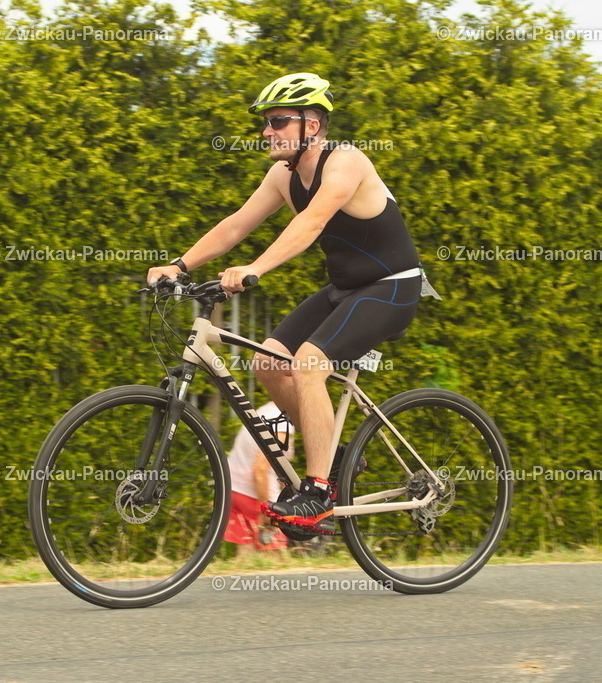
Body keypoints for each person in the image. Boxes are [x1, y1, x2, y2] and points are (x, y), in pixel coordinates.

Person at [146, 72, 424, 534]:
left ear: (311, 126)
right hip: (345, 289)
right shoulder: (283, 175)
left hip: (393, 287)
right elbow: (236, 225)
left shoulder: (347, 162)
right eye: (266, 123)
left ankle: (316, 493)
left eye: (277, 122)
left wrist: (255, 268)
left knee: (309, 363)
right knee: (270, 361)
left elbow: (312, 223)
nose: (266, 132)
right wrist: (179, 265)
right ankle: (332, 461)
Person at [223, 403, 293, 555]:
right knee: (275, 561)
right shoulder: (281, 423)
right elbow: (259, 470)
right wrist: (267, 509)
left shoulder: (264, 411)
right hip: (256, 494)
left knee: (246, 558)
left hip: (233, 489)